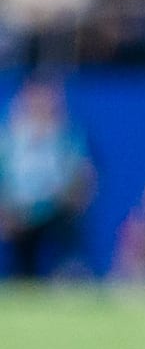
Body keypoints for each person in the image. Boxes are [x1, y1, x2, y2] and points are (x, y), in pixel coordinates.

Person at [0, 77, 92, 278]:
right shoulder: (7, 136)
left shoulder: (68, 135)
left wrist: (59, 199)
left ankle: (69, 274)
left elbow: (80, 174)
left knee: (66, 227)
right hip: (16, 211)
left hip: (55, 209)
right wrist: (7, 210)